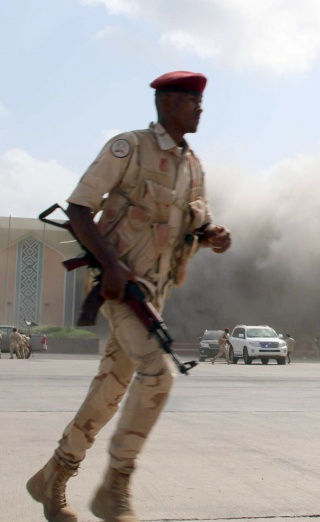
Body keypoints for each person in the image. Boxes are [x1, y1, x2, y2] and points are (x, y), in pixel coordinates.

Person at [26, 71, 232, 522]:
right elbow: (79, 207)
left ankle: (53, 476)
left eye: (200, 101)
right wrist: (112, 266)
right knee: (159, 375)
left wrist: (212, 236)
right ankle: (115, 485)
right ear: (168, 104)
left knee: (110, 389)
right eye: (192, 101)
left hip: (155, 295)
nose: (200, 109)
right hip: (120, 289)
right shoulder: (130, 147)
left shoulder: (193, 166)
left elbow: (195, 225)